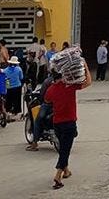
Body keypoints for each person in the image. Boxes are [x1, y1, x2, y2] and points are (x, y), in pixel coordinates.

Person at [45, 59, 92, 189]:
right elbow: (88, 82)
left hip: (57, 124)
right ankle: (58, 175)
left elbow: (47, 100)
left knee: (63, 148)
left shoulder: (51, 89)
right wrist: (85, 66)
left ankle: (66, 171)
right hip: (69, 123)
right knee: (65, 150)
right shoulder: (69, 86)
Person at [26, 70, 55, 151]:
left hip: (48, 105)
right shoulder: (66, 80)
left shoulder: (48, 81)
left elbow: (42, 95)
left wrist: (42, 101)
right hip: (61, 104)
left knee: (38, 120)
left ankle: (35, 143)